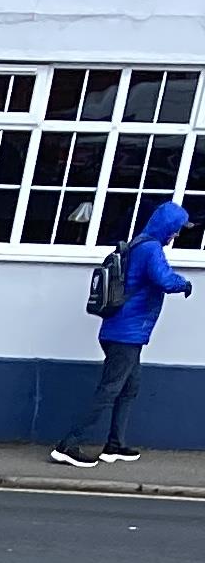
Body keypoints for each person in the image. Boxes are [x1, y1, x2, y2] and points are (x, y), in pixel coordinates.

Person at [53, 197, 192, 465]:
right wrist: (184, 283)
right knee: (110, 390)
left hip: (124, 331)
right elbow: (163, 279)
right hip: (125, 334)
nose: (176, 234)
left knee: (129, 388)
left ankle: (115, 445)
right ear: (166, 226)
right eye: (176, 228)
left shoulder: (137, 244)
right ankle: (68, 444)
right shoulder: (151, 249)